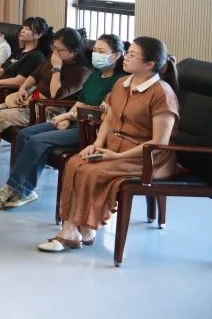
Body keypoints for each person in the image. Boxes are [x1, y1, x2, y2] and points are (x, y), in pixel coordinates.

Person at [39, 36, 179, 253]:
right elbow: (109, 120)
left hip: (147, 158)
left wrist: (116, 156)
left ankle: (72, 231)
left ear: (149, 64)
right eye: (128, 53)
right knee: (75, 162)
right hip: (116, 146)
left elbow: (158, 143)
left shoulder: (162, 93)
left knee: (93, 171)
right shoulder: (121, 84)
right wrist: (96, 144)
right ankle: (83, 229)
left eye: (132, 55)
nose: (126, 57)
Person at [0, 34, 126, 210]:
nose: (96, 55)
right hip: (76, 121)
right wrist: (67, 117)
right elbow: (81, 102)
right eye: (95, 50)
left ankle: (16, 187)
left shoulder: (119, 82)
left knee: (38, 140)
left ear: (116, 56)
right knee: (24, 134)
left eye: (101, 51)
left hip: (91, 130)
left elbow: (100, 114)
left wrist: (68, 117)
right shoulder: (96, 74)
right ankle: (25, 188)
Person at [0, 27, 91, 182]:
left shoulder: (81, 70)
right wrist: (23, 88)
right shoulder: (54, 57)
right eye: (54, 47)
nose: (55, 52)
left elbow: (56, 95)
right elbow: (35, 75)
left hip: (48, 110)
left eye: (60, 50)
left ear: (74, 51)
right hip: (29, 101)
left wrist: (57, 68)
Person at [0, 17, 52, 107]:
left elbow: (19, 81)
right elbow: (1, 70)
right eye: (23, 27)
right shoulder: (18, 51)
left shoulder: (36, 56)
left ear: (38, 35)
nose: (22, 31)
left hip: (5, 91)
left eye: (27, 29)